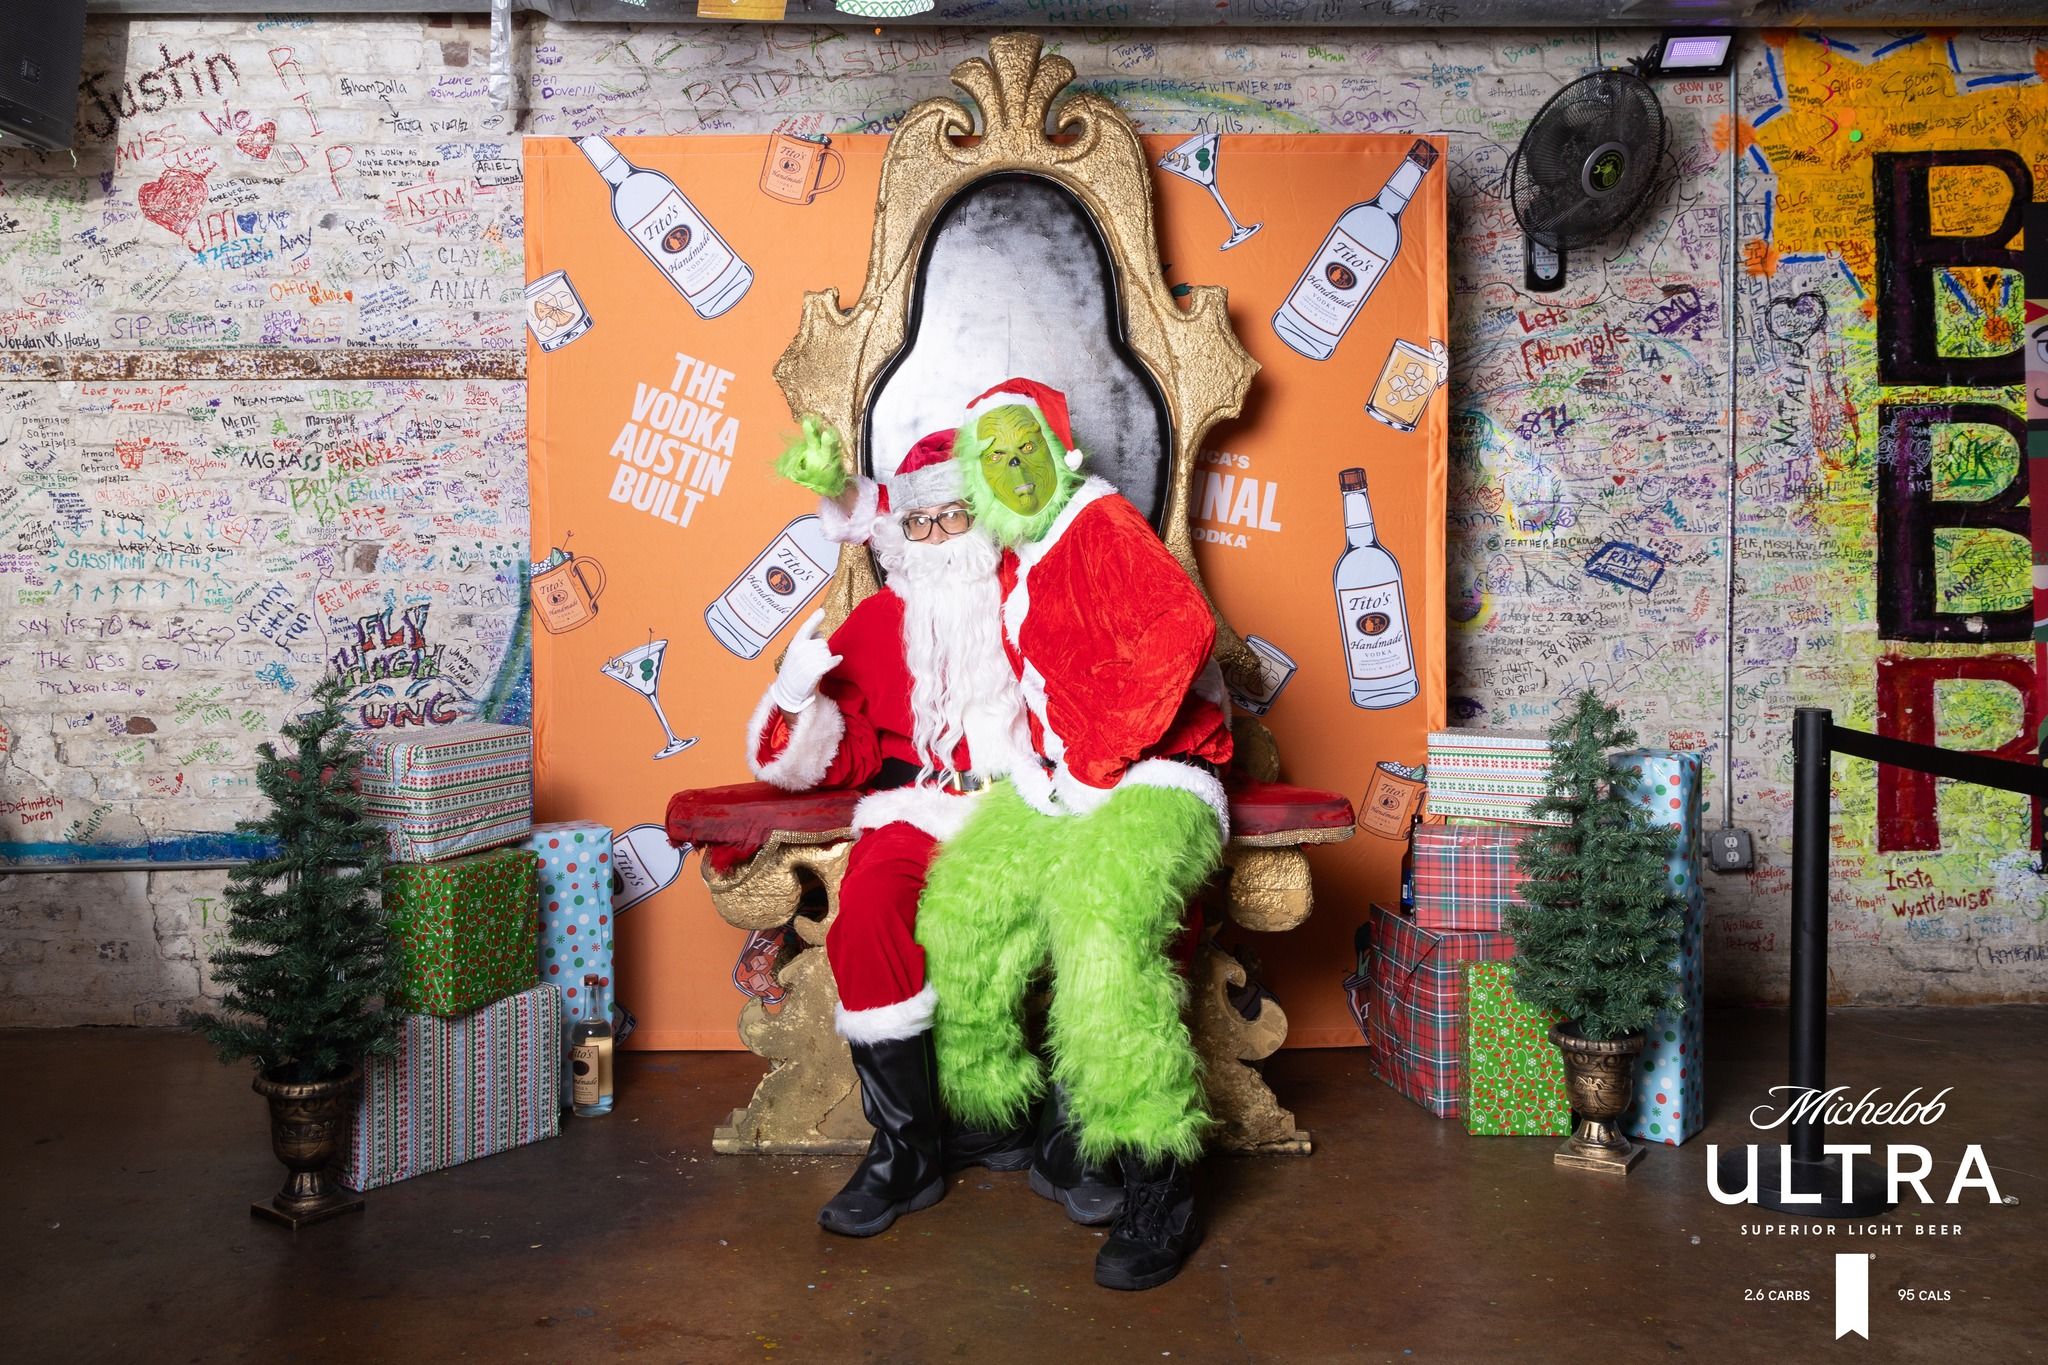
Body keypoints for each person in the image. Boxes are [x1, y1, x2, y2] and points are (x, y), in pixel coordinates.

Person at [755, 426, 1118, 1237]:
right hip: (916, 809)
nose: (936, 538)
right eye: (918, 525)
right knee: (868, 915)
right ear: (897, 535)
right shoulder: (881, 620)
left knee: (1097, 910)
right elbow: (820, 760)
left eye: (953, 517)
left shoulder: (1034, 595)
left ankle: (1073, 1138)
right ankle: (905, 1153)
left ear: (984, 517)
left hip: (1028, 804)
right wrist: (790, 700)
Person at [914, 377, 1234, 1291]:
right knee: (964, 901)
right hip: (1063, 781)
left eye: (1027, 450)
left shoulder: (1100, 523)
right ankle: (1000, 1111)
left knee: (1098, 929)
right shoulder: (1015, 549)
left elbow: (1184, 629)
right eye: (995, 458)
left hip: (1159, 776)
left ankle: (1155, 1181)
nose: (1015, 471)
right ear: (976, 479)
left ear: (1060, 450)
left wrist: (1099, 756)